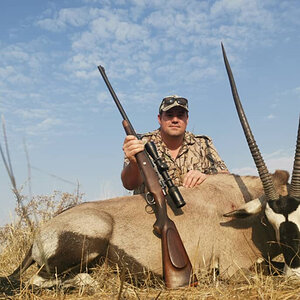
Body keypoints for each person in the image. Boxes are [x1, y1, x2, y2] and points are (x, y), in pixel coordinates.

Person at [121, 95, 228, 194]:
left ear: (187, 119)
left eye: (180, 116)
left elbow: (227, 178)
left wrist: (206, 178)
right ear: (159, 119)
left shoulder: (203, 143)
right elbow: (129, 184)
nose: (175, 120)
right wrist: (134, 164)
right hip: (151, 212)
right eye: (169, 115)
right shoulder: (140, 143)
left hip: (196, 210)